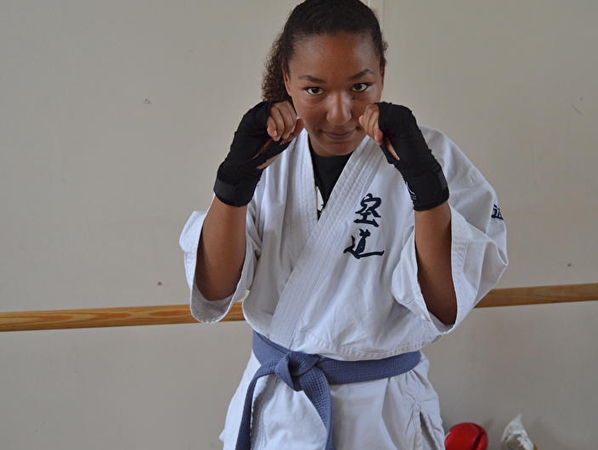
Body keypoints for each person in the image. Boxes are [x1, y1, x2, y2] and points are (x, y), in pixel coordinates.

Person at [179, 0, 508, 449]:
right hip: (281, 412)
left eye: (360, 86)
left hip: (382, 415)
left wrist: (425, 186)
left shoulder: (432, 155)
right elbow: (215, 290)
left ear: (382, 74)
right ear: (288, 79)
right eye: (315, 90)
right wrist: (233, 184)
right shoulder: (267, 156)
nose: (340, 112)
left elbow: (444, 303)